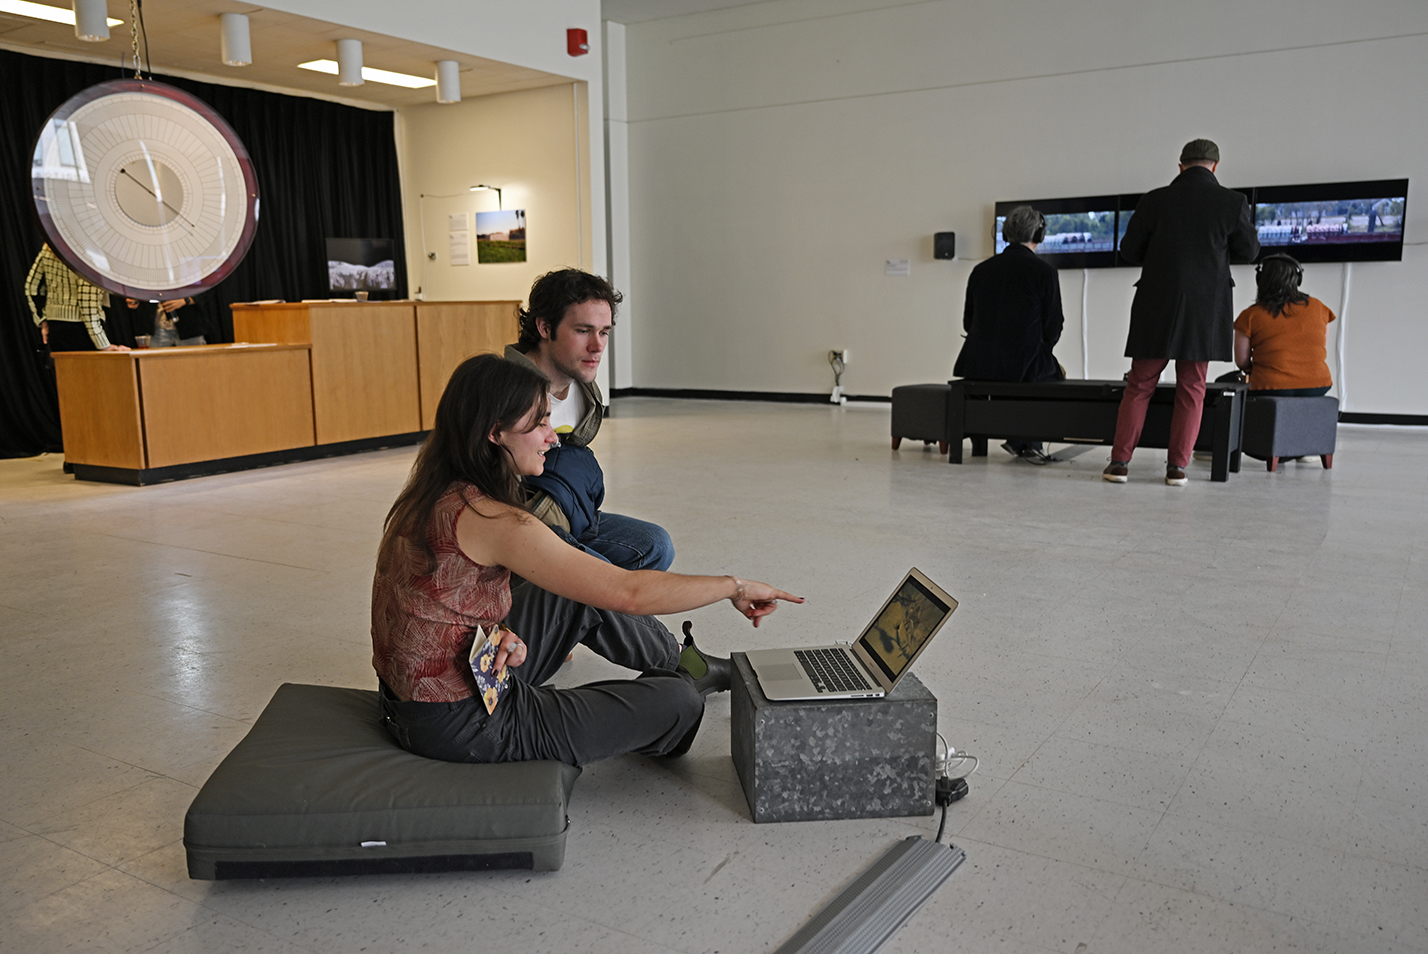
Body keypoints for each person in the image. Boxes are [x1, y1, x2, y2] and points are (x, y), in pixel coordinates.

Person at [371, 353, 802, 766]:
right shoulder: (490, 519)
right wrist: (733, 587)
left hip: (424, 699)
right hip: (462, 724)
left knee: (572, 581)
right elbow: (629, 592)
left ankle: (689, 665)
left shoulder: (436, 493)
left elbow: (441, 610)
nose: (552, 437)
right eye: (539, 422)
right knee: (679, 701)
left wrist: (503, 635)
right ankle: (680, 686)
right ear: (495, 432)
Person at [1103, 138, 1259, 486]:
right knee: (1192, 386)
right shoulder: (1232, 202)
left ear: (1180, 166)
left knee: (1139, 383)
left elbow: (1129, 250)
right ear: (1215, 166)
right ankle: (1177, 468)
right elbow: (1249, 251)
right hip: (1205, 307)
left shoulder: (1154, 200)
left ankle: (1119, 463)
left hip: (1156, 303)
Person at [504, 268, 674, 570]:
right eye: (583, 331)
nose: (597, 346)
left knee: (656, 545)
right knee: (598, 573)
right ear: (545, 327)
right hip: (516, 532)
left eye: (604, 332)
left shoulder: (585, 391)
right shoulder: (502, 394)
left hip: (572, 515)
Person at [953, 205, 1065, 461]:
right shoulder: (1045, 272)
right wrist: (1040, 348)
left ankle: (1017, 439)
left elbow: (969, 323)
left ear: (1005, 234)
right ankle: (1030, 441)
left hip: (979, 362)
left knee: (1028, 369)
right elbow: (1053, 326)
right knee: (1050, 373)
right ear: (1039, 235)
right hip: (1025, 363)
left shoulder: (981, 270)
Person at [1233, 253, 1335, 396]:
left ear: (1260, 280)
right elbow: (1319, 347)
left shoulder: (1250, 315)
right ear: (1297, 279)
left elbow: (1242, 361)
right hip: (1319, 384)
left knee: (1222, 383)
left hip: (1269, 385)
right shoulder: (1319, 308)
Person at [25, 244, 128, 352]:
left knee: (63, 363)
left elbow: (31, 288)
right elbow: (87, 303)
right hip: (83, 330)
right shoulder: (90, 253)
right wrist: (103, 345)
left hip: (55, 326)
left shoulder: (50, 246)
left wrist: (42, 320)